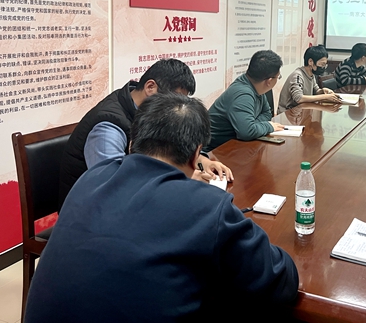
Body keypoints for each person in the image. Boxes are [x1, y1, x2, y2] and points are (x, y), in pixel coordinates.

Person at [25, 93, 299, 322]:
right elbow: (281, 280)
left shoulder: (91, 178)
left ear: (132, 143)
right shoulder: (207, 206)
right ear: (196, 155)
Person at [58, 59, 232, 209]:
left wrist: (201, 161)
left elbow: (167, 148)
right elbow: (115, 184)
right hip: (90, 211)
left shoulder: (147, 111)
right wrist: (183, 176)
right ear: (150, 87)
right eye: (173, 99)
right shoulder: (109, 126)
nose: (176, 106)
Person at [207, 50, 285, 150]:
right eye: (278, 77)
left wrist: (254, 125)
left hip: (234, 144)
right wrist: (269, 126)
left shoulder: (256, 86)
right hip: (215, 150)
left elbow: (267, 113)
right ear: (269, 81)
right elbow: (247, 132)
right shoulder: (243, 95)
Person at [277, 45, 341, 114]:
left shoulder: (311, 74)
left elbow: (316, 90)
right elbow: (299, 98)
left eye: (325, 65)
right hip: (288, 114)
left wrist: (323, 91)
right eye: (322, 64)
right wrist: (325, 97)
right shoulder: (297, 76)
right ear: (310, 62)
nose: (323, 67)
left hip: (301, 112)